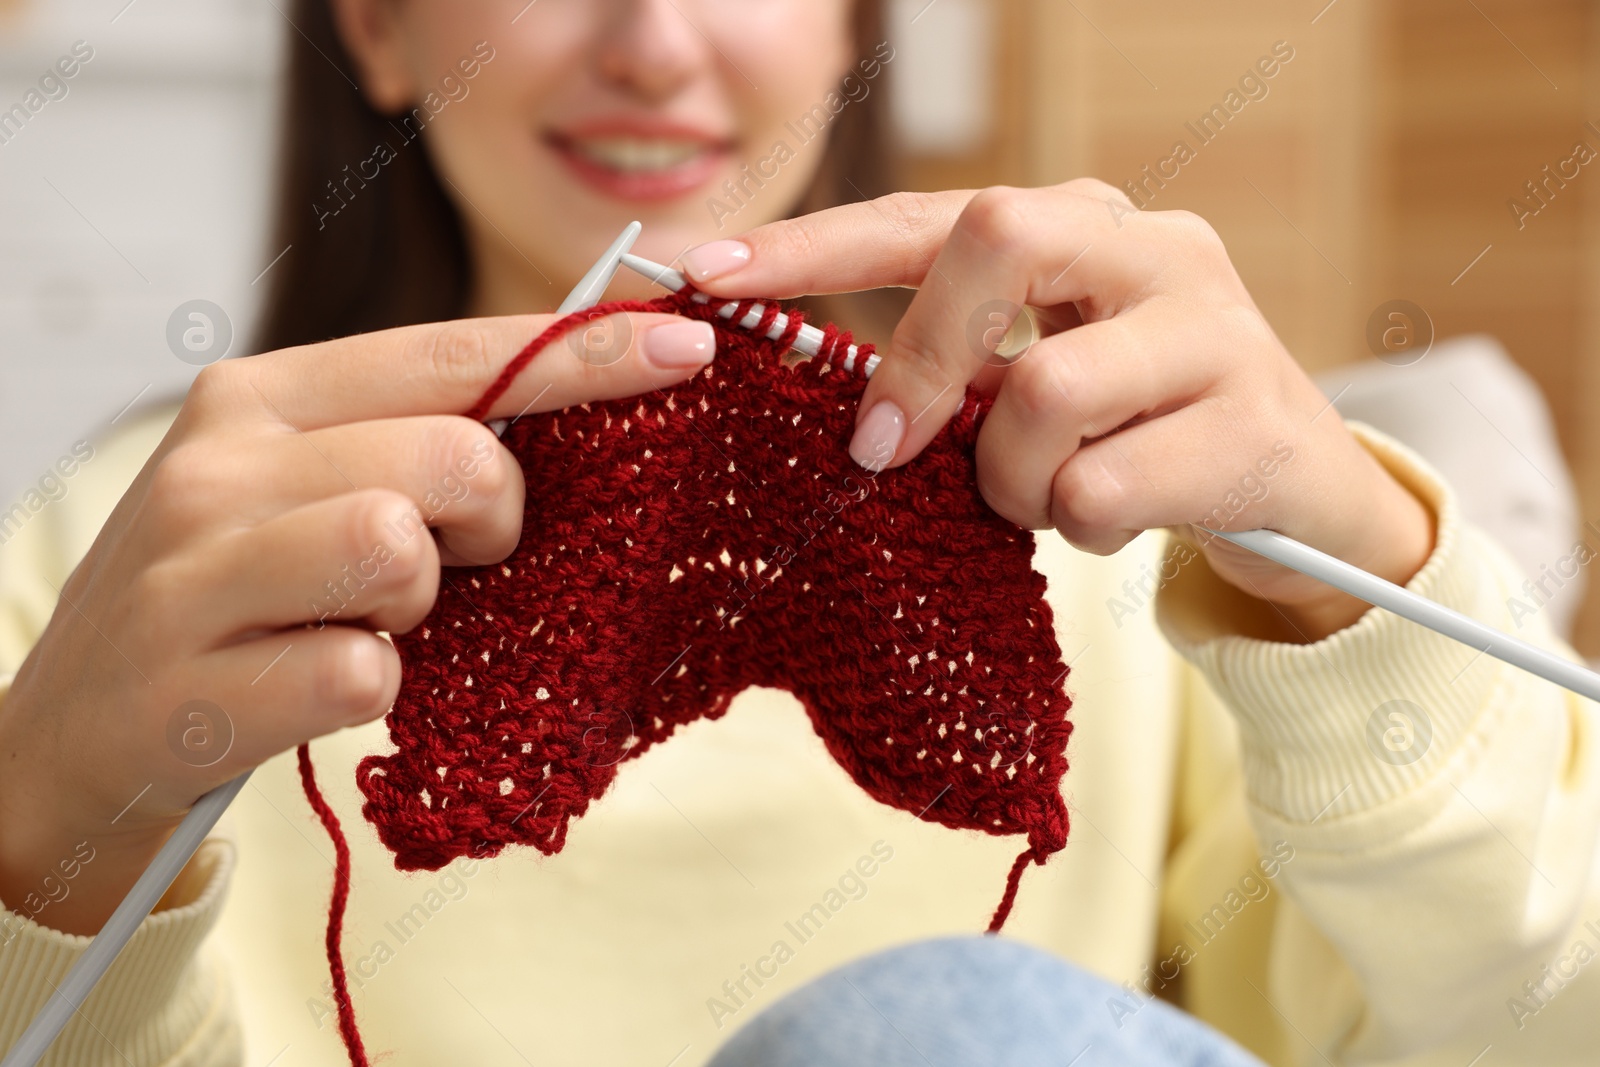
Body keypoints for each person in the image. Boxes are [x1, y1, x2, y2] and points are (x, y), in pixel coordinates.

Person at [1, 0, 1597, 1063]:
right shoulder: (108, 565)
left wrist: (1363, 587)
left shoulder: (1124, 547)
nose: (654, 42)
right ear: (376, 18)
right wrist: (51, 853)